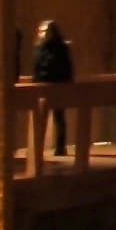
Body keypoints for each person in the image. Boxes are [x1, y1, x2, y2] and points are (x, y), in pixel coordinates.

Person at [29, 18, 76, 157]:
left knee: (58, 116)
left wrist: (65, 84)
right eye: (41, 31)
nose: (42, 33)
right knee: (40, 117)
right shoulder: (40, 48)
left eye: (45, 31)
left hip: (57, 85)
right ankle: (37, 149)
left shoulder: (59, 48)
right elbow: (37, 67)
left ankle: (60, 147)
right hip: (42, 85)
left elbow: (66, 68)